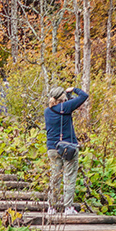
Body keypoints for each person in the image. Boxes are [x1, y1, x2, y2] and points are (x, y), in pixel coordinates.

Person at [43, 84, 89, 216]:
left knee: (55, 177)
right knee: (69, 177)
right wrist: (73, 89)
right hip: (68, 147)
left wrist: (67, 97)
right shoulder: (66, 107)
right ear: (62, 97)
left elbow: (62, 108)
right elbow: (84, 96)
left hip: (52, 148)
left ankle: (51, 207)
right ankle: (68, 207)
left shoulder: (47, 111)